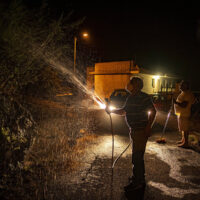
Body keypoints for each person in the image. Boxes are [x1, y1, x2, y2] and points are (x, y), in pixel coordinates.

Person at [105, 77, 156, 192]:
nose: (128, 85)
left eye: (130, 83)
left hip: (140, 131)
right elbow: (124, 111)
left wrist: (148, 127)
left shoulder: (144, 97)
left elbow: (153, 111)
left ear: (137, 85)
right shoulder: (130, 97)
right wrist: (111, 111)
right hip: (134, 130)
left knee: (137, 157)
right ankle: (137, 178)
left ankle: (138, 182)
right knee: (136, 156)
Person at [173, 80, 195, 148]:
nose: (180, 86)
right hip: (181, 113)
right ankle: (183, 140)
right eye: (180, 84)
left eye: (182, 85)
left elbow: (184, 105)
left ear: (187, 86)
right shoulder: (183, 92)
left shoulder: (188, 94)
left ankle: (186, 143)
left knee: (185, 129)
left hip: (185, 113)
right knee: (182, 128)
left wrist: (175, 102)